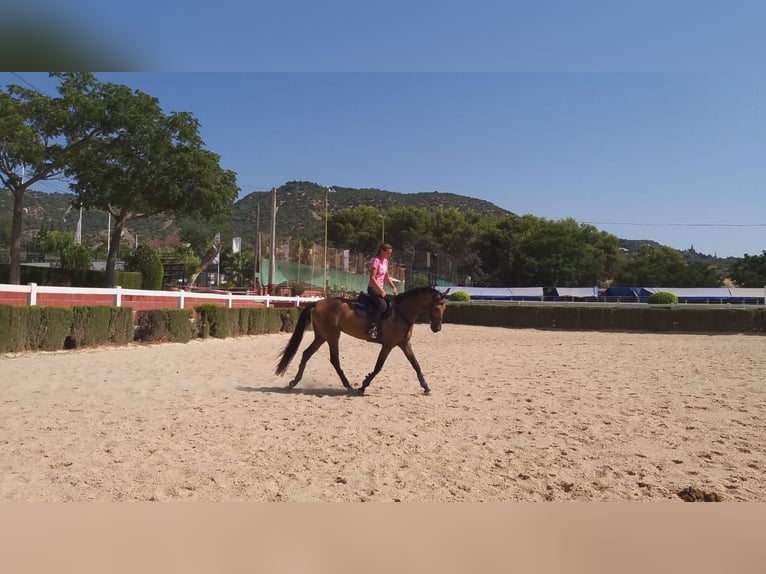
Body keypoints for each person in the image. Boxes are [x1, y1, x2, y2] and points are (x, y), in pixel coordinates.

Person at [366, 242, 397, 338]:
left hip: (380, 289)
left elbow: (386, 277)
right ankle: (372, 328)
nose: (389, 255)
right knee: (383, 306)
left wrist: (393, 287)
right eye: (388, 253)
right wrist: (381, 290)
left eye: (390, 253)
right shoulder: (376, 261)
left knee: (391, 304)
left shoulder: (386, 261)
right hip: (373, 288)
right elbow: (372, 278)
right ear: (382, 251)